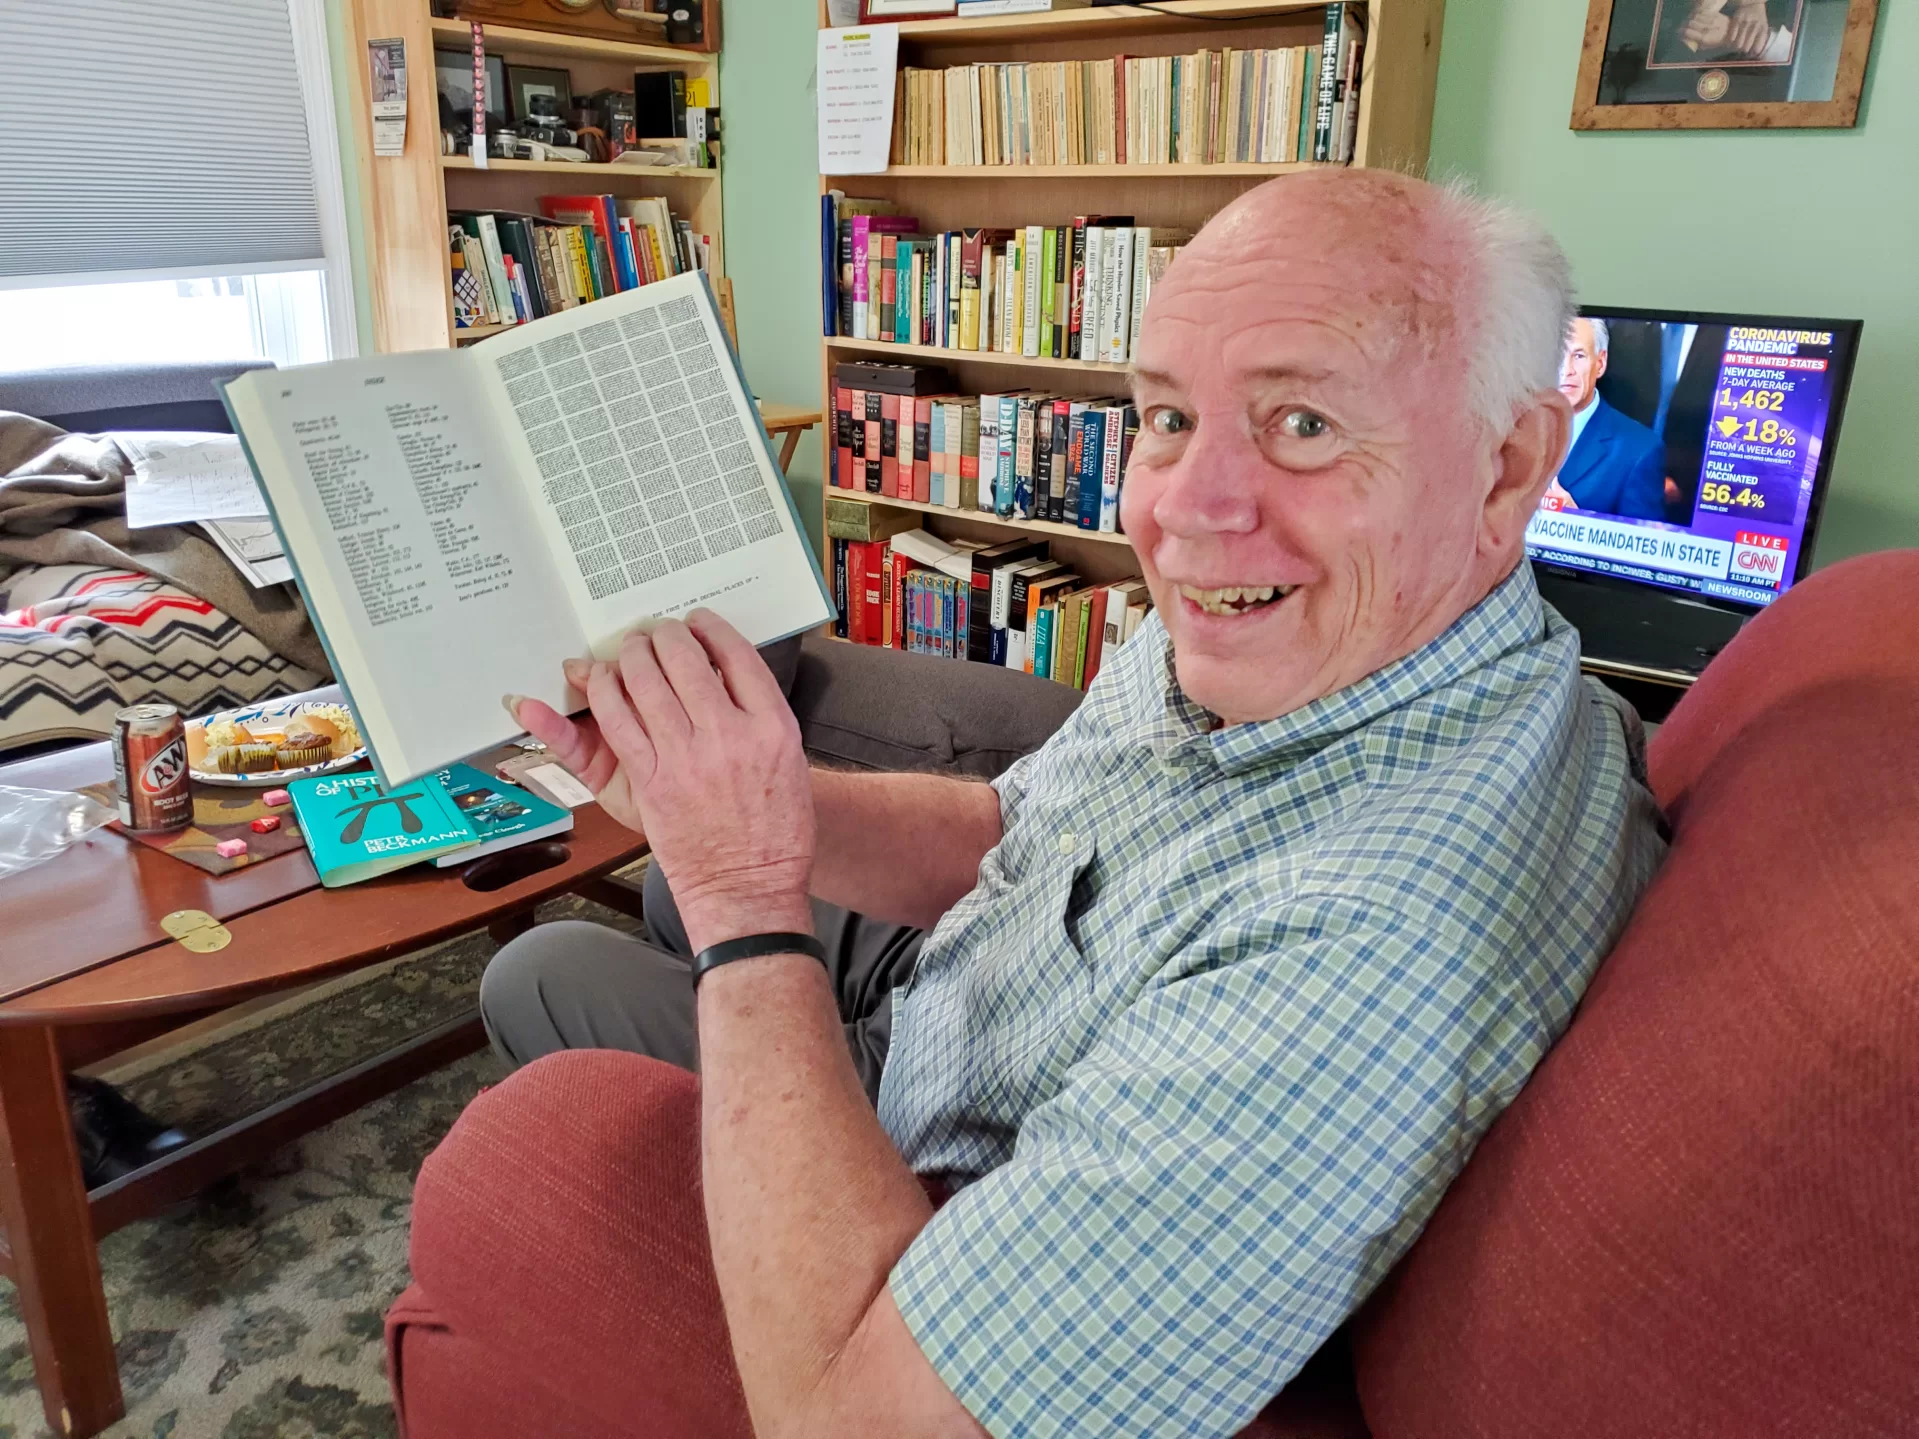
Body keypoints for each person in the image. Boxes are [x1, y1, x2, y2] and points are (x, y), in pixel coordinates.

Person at [482, 170, 1668, 1437]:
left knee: (540, 970)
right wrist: (745, 806)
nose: (1182, 513)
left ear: (1509, 465)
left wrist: (745, 903)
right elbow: (1013, 830)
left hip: (932, 1184)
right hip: (989, 993)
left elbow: (864, 1422)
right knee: (670, 872)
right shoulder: (1331, 643)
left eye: (1302, 423)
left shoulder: (1372, 939)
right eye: (1164, 418)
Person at [1549, 316, 1669, 521]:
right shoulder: (1509, 428)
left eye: (1578, 356)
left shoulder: (1640, 450)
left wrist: (1575, 523)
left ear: (1600, 362)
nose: (1566, 370)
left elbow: (1642, 545)